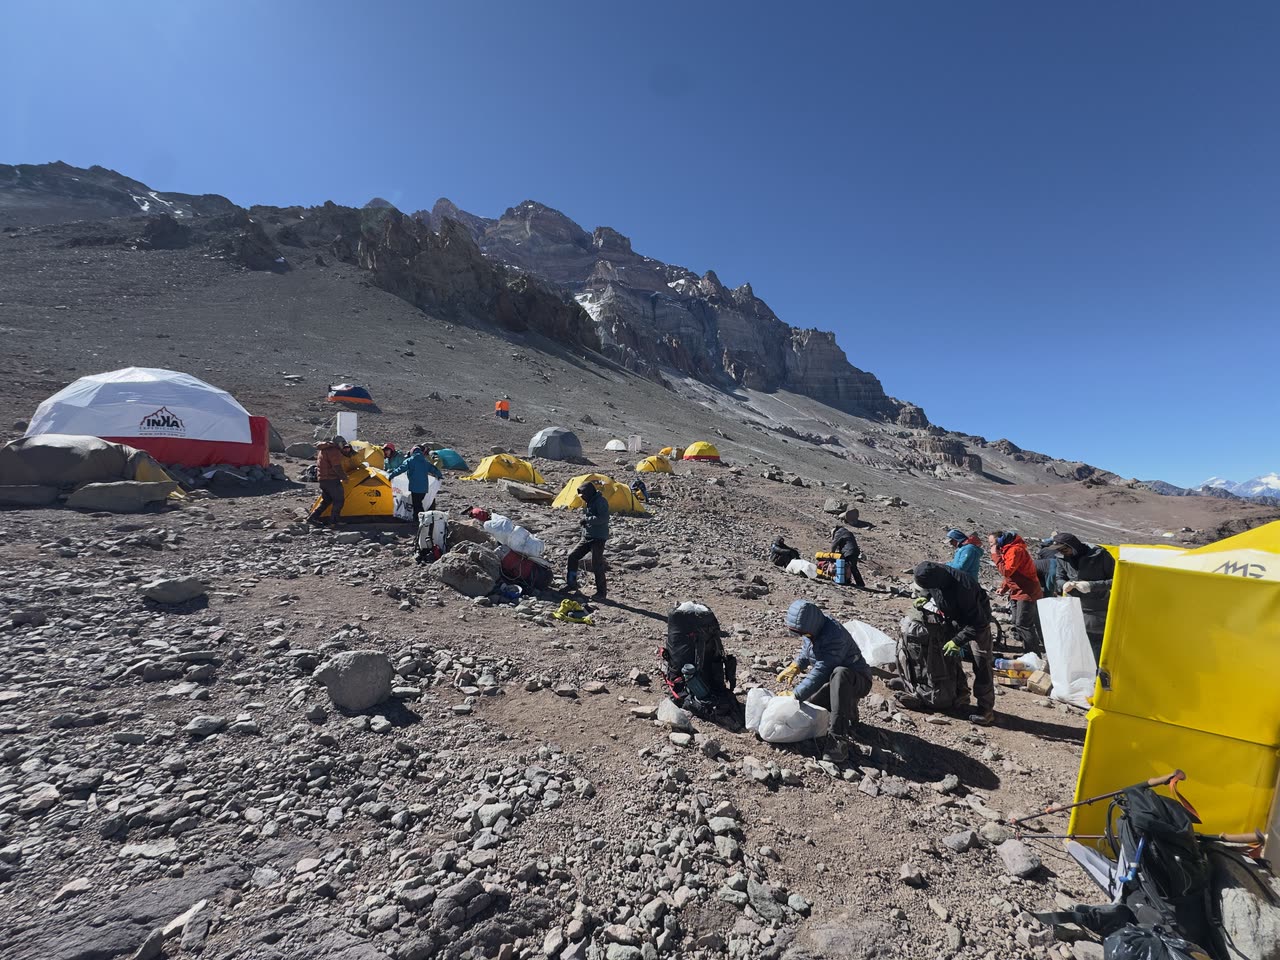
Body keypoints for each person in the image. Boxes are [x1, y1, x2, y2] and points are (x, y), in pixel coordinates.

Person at [776, 599, 873, 763]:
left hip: (858, 680)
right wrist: (796, 665)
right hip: (831, 681)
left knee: (840, 673)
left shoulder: (835, 636)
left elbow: (822, 671)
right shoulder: (813, 627)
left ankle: (838, 740)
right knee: (811, 707)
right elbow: (809, 649)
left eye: (803, 634)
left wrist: (795, 694)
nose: (803, 636)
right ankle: (848, 709)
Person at [913, 561, 996, 726]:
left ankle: (986, 709)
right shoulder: (935, 575)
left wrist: (957, 641)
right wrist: (924, 596)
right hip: (954, 620)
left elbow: (978, 623)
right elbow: (930, 588)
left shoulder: (964, 587)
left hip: (977, 625)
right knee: (951, 659)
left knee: (981, 664)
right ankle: (960, 695)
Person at [1043, 532, 1116, 660]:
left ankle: (1097, 671)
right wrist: (1064, 584)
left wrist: (1091, 585)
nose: (1063, 553)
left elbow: (1116, 580)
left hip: (1097, 610)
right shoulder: (1061, 558)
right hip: (1074, 608)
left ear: (1074, 546)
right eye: (1059, 550)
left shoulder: (1099, 555)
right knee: (1076, 646)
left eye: (1064, 549)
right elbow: (1059, 577)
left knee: (1095, 646)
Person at [988, 530, 1044, 653]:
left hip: (1027, 591)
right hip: (1017, 590)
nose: (990, 546)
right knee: (1016, 621)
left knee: (1023, 623)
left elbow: (1007, 571)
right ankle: (1028, 651)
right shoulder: (1008, 550)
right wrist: (1004, 588)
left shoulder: (1015, 550)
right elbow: (1012, 575)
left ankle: (1033, 654)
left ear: (999, 541)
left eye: (992, 543)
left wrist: (995, 555)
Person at [566, 481, 609, 600]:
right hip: (587, 537)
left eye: (584, 495)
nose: (582, 498)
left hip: (598, 538)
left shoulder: (600, 501)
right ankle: (571, 584)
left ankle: (601, 593)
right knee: (572, 556)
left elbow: (603, 518)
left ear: (589, 493)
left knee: (597, 565)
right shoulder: (589, 501)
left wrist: (588, 520)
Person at [388, 444, 443, 525]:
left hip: (415, 487)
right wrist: (439, 475)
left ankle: (421, 520)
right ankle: (418, 519)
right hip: (424, 488)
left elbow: (400, 469)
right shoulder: (424, 461)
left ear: (412, 452)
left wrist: (391, 475)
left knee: (417, 504)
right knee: (418, 503)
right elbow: (433, 469)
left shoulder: (410, 460)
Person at [307, 435, 351, 528]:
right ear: (338, 443)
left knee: (326, 500)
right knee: (339, 500)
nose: (343, 445)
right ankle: (333, 522)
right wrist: (344, 477)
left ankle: (312, 518)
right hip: (331, 480)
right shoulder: (334, 451)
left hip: (323, 480)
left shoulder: (324, 449)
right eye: (342, 443)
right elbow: (336, 466)